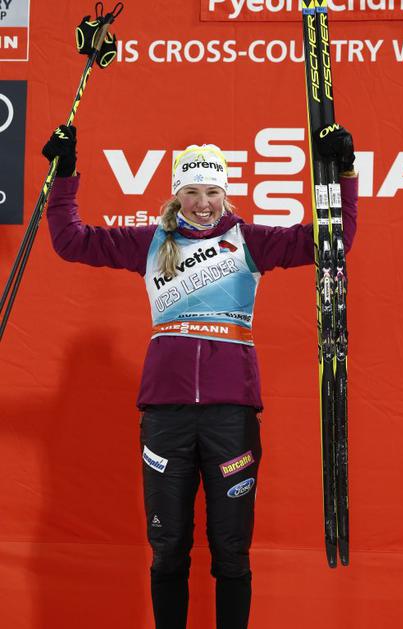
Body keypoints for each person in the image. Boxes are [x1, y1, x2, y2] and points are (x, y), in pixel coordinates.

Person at [43, 126, 358, 629]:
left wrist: (344, 174)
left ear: (225, 193)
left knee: (231, 550)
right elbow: (70, 241)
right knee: (168, 548)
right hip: (165, 418)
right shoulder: (151, 243)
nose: (203, 203)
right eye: (192, 192)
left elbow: (333, 244)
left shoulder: (249, 241)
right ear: (177, 195)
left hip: (230, 417)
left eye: (212, 191)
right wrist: (64, 175)